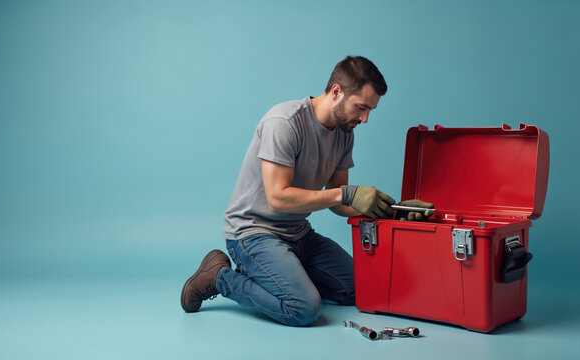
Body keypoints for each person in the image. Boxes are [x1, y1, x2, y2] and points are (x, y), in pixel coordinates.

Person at [180, 56, 434, 326]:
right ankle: (220, 277)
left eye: (370, 110)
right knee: (303, 309)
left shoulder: (344, 133)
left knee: (363, 290)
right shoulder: (284, 122)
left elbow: (338, 201)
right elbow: (278, 199)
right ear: (336, 92)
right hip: (254, 234)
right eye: (361, 107)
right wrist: (347, 194)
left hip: (299, 235)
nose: (365, 118)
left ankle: (286, 277)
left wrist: (392, 211)